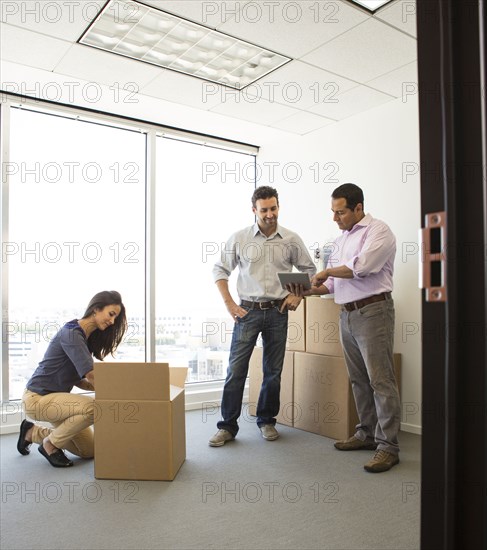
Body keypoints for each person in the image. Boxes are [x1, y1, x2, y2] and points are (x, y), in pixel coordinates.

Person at [289, 183, 401, 472]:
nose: (335, 218)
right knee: (358, 379)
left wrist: (325, 270)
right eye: (333, 212)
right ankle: (365, 434)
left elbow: (362, 266)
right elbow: (333, 284)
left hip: (373, 311)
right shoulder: (339, 241)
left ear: (358, 208)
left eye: (340, 212)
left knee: (381, 381)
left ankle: (388, 447)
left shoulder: (379, 231)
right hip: (347, 314)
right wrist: (306, 289)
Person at [209, 185, 316, 447]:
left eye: (274, 208)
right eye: (264, 210)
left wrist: (297, 295)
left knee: (273, 371)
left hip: (278, 312)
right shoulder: (240, 238)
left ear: (279, 207)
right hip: (247, 311)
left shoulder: (291, 239)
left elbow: (311, 271)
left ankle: (267, 420)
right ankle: (227, 427)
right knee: (236, 370)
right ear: (254, 210)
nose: (270, 214)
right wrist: (230, 305)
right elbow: (219, 270)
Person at [17, 290, 127, 467]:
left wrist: (101, 387)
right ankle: (50, 445)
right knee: (96, 408)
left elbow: (78, 380)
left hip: (57, 402)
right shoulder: (72, 333)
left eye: (115, 317)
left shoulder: (85, 338)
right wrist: (115, 392)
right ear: (96, 309)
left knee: (89, 450)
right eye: (111, 314)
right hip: (37, 399)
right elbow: (91, 375)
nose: (112, 321)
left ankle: (32, 433)